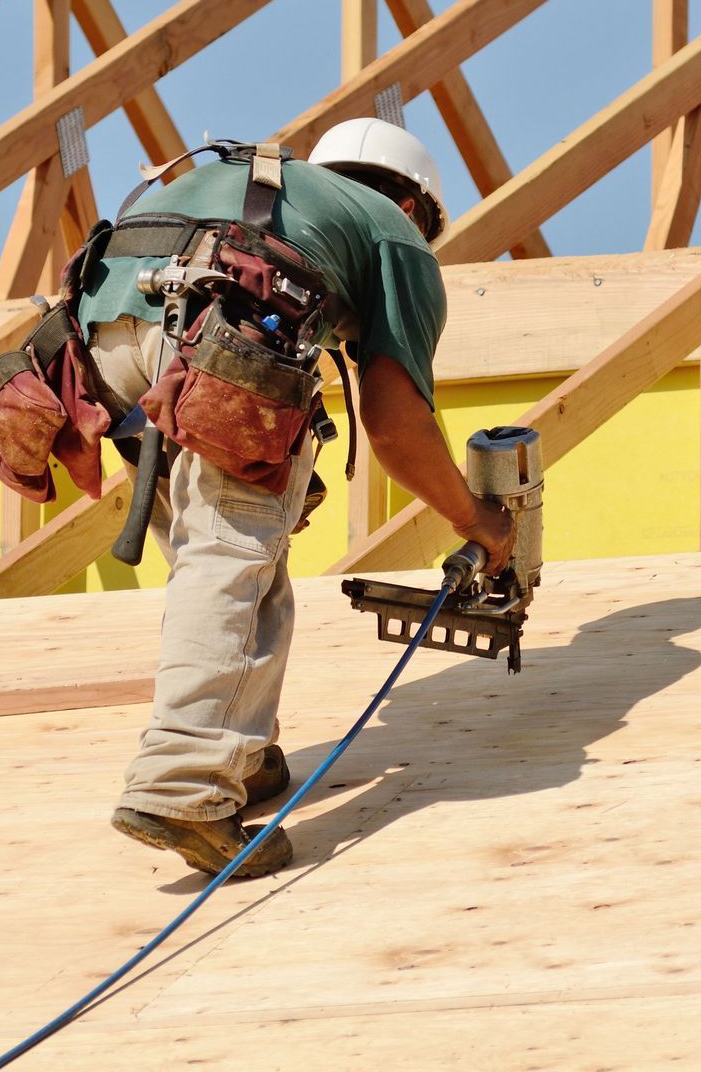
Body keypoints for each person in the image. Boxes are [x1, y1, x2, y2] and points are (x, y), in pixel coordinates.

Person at [75, 118, 515, 879]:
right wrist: (473, 517)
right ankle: (184, 785)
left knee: (229, 553)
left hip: (98, 337)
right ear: (415, 208)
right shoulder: (396, 237)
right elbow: (395, 419)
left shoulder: (274, 189)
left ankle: (237, 753)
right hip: (208, 333)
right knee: (233, 548)